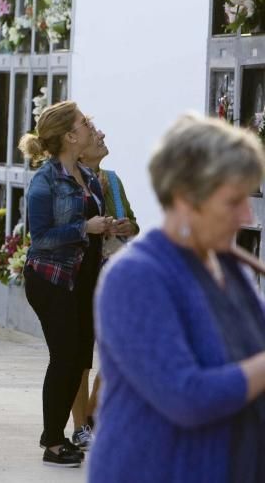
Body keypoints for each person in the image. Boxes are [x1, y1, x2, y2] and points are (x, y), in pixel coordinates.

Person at [91, 114, 265, 482]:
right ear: (186, 199)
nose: (246, 215)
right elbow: (186, 397)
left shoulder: (230, 268)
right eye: (233, 201)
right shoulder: (136, 277)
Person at [16, 101, 112, 467]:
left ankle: (58, 438)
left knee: (78, 361)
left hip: (83, 280)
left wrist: (106, 227)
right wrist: (83, 229)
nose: (91, 126)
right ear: (71, 136)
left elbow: (90, 223)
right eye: (85, 122)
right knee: (64, 358)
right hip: (52, 280)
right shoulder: (45, 180)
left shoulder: (86, 177)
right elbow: (39, 237)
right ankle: (53, 441)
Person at [69, 125, 140, 449]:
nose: (102, 137)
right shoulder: (70, 180)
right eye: (95, 134)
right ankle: (80, 425)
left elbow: (133, 222)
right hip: (83, 275)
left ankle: (94, 411)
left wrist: (127, 225)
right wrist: (92, 227)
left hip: (114, 275)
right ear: (79, 149)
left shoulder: (111, 179)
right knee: (81, 353)